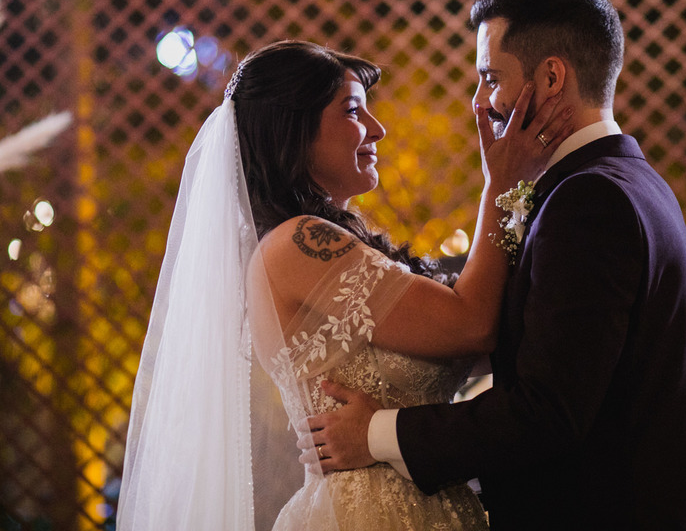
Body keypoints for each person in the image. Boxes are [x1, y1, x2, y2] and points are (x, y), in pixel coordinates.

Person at [116, 40, 572, 531]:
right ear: (293, 130)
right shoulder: (296, 244)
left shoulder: (330, 242)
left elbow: (484, 333)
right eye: (353, 111)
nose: (377, 130)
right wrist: (500, 186)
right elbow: (470, 323)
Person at [308, 0, 686, 529]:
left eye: (491, 79)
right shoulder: (632, 183)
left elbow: (548, 411)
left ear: (550, 78)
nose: (480, 103)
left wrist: (376, 432)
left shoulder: (588, 202)